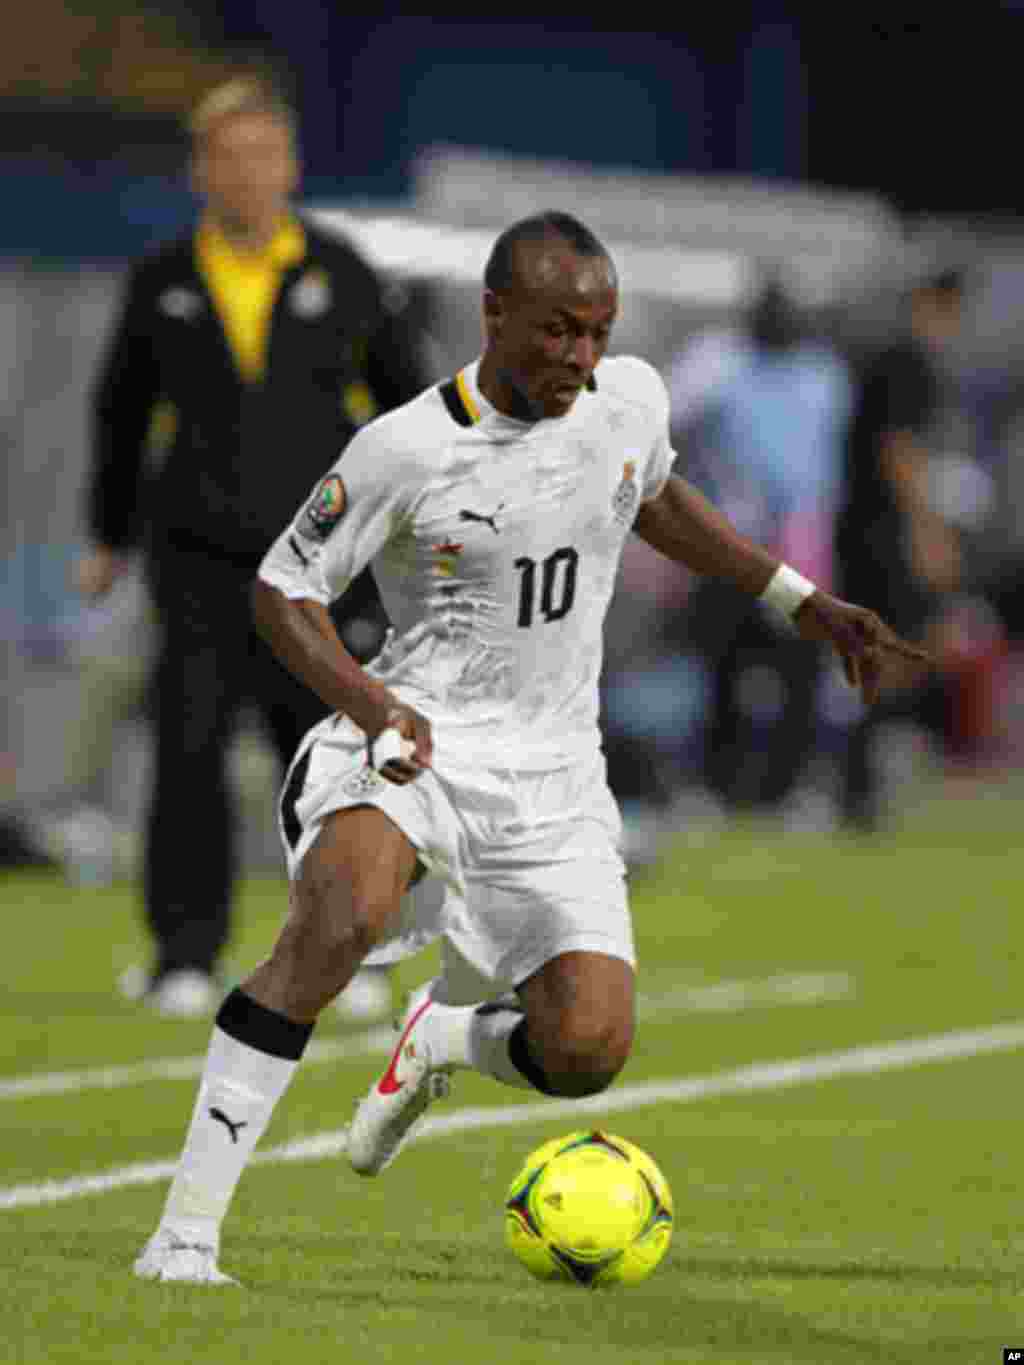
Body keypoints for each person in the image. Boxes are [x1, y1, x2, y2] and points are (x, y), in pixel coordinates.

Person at [133, 211, 927, 1284]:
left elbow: (652, 496)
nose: (579, 358)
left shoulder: (628, 399)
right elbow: (283, 589)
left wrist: (799, 600)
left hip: (554, 776)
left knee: (586, 1050)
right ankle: (184, 1234)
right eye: (557, 332)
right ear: (493, 313)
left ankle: (443, 1042)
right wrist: (370, 707)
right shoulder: (406, 446)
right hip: (413, 743)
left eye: (596, 333)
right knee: (338, 921)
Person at [78, 78, 428, 1017]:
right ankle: (184, 955)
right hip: (194, 559)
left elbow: (408, 411)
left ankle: (357, 953)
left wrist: (416, 529)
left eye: (264, 156)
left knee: (335, 759)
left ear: (293, 166)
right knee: (188, 750)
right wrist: (107, 536)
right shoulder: (162, 280)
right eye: (227, 158)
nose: (247, 175)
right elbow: (119, 415)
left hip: (320, 566)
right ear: (199, 171)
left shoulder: (345, 272)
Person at [668, 274, 852, 823]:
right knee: (723, 662)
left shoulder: (824, 375)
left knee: (797, 667)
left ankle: (789, 785)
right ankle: (718, 784)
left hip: (801, 540)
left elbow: (827, 461)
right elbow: (667, 423)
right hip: (732, 537)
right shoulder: (717, 362)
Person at [834, 265, 967, 829]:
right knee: (897, 652)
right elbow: (898, 451)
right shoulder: (908, 361)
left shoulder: (888, 359)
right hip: (882, 534)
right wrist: (927, 533)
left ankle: (864, 780)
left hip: (867, 528)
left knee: (892, 652)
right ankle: (860, 783)